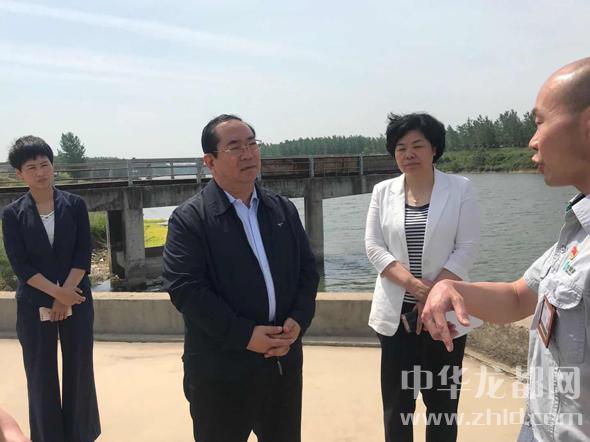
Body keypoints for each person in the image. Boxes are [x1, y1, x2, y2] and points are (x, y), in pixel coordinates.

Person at [421, 57, 590, 441]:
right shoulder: (576, 232)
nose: (532, 140)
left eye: (540, 122)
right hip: (538, 427)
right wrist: (451, 289)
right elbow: (517, 297)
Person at [162, 114, 319, 442]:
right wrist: (245, 335)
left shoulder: (281, 209)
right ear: (210, 161)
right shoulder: (190, 219)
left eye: (252, 143)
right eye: (234, 147)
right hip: (220, 372)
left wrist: (299, 319)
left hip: (282, 363)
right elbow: (186, 289)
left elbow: (307, 271)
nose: (248, 153)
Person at [365, 113, 480, 442]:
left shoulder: (460, 188)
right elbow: (374, 247)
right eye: (400, 148)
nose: (409, 154)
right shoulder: (382, 191)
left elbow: (467, 246)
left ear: (434, 149)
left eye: (417, 145)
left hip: (445, 314)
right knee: (397, 404)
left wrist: (434, 294)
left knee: (442, 404)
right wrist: (416, 287)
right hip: (397, 315)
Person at [2, 136, 100, 442]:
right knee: (40, 373)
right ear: (19, 173)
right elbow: (21, 266)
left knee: (79, 368)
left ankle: (80, 435)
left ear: (53, 165)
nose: (41, 172)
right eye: (31, 167)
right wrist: (58, 296)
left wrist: (66, 296)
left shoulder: (75, 205)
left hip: (76, 297)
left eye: (45, 164)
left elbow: (82, 255)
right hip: (34, 302)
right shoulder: (12, 214)